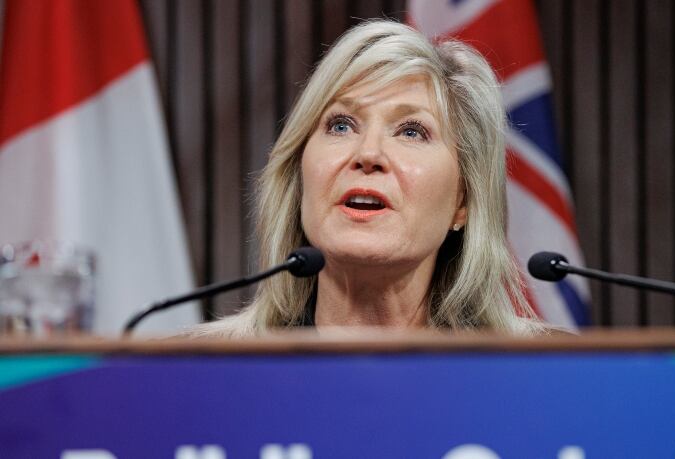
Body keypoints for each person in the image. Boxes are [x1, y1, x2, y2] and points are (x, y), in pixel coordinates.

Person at [192, 20, 550, 337]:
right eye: (341, 125)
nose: (368, 155)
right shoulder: (203, 371)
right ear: (300, 177)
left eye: (412, 132)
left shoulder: (538, 375)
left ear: (463, 201)